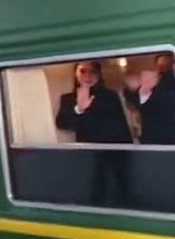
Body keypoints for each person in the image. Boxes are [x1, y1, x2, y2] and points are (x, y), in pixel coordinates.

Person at [55, 61, 132, 206]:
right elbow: (62, 123)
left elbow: (121, 126)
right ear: (75, 73)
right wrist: (79, 108)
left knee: (120, 193)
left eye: (93, 71)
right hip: (87, 155)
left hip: (114, 152)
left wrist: (128, 151)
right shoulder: (68, 98)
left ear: (99, 74)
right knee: (92, 194)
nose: (88, 75)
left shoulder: (110, 96)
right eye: (82, 71)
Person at [124, 53, 175, 145]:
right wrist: (142, 90)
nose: (161, 68)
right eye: (160, 65)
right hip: (155, 142)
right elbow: (136, 102)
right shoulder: (157, 82)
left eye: (165, 64)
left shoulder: (174, 82)